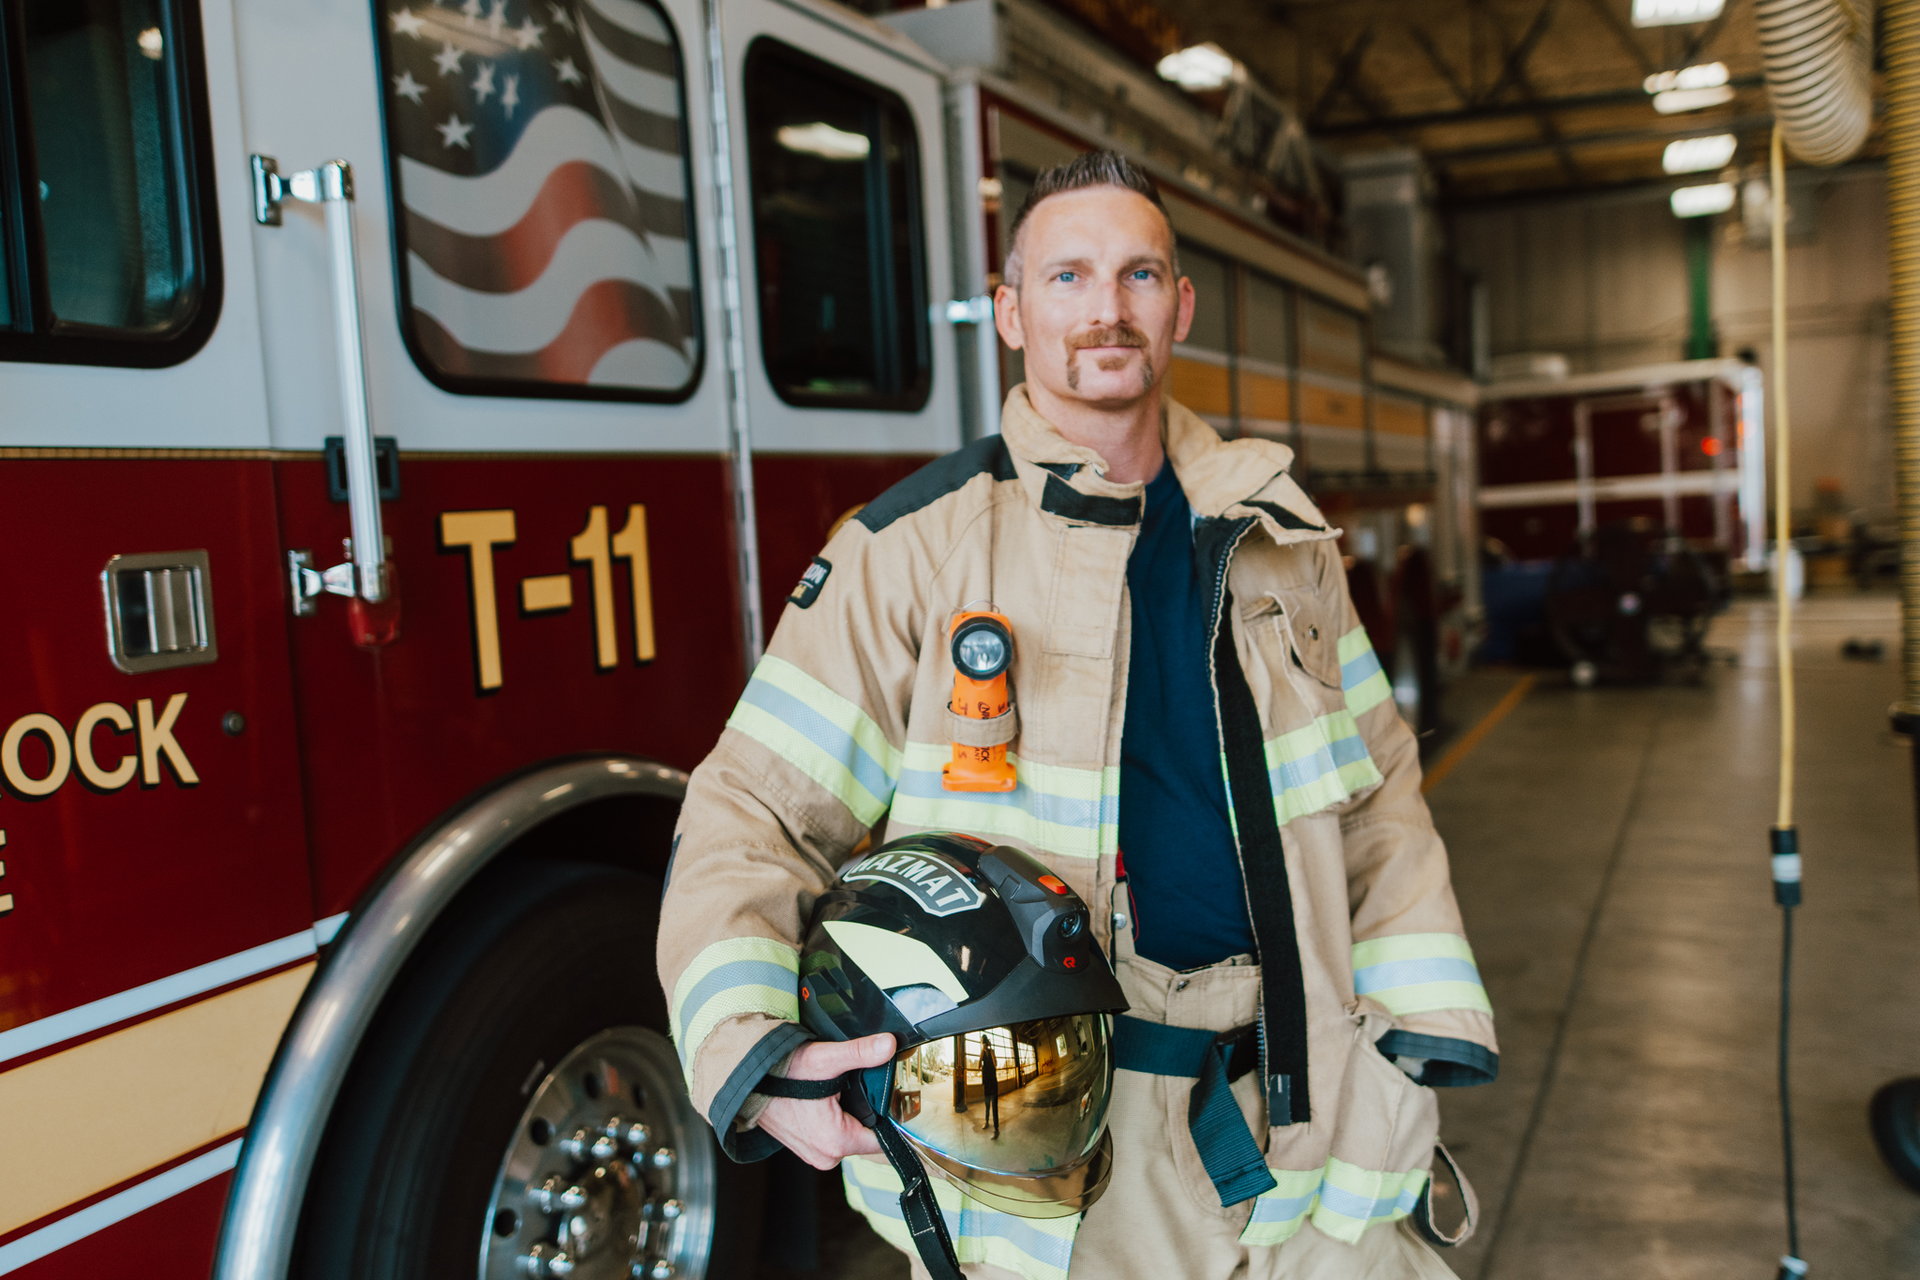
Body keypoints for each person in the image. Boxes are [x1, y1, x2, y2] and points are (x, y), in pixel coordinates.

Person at [660, 150, 1498, 1280]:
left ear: (1180, 307)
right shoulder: (907, 550)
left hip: (1306, 1110)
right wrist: (752, 1051)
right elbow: (750, 806)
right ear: (1010, 312)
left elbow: (1378, 791)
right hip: (1051, 1156)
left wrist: (1414, 1031)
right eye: (1066, 277)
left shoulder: (1278, 539)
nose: (1105, 308)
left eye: (1138, 274)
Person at [978, 1038, 1001, 1139]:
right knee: (987, 1104)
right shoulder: (982, 1053)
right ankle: (986, 1121)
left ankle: (996, 1129)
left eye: (983, 1042)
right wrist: (982, 1053)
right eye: (982, 1042)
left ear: (987, 1042)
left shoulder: (992, 1051)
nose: (983, 1044)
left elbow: (995, 1063)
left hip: (993, 1082)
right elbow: (979, 1066)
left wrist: (991, 1051)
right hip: (986, 1083)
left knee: (994, 1106)